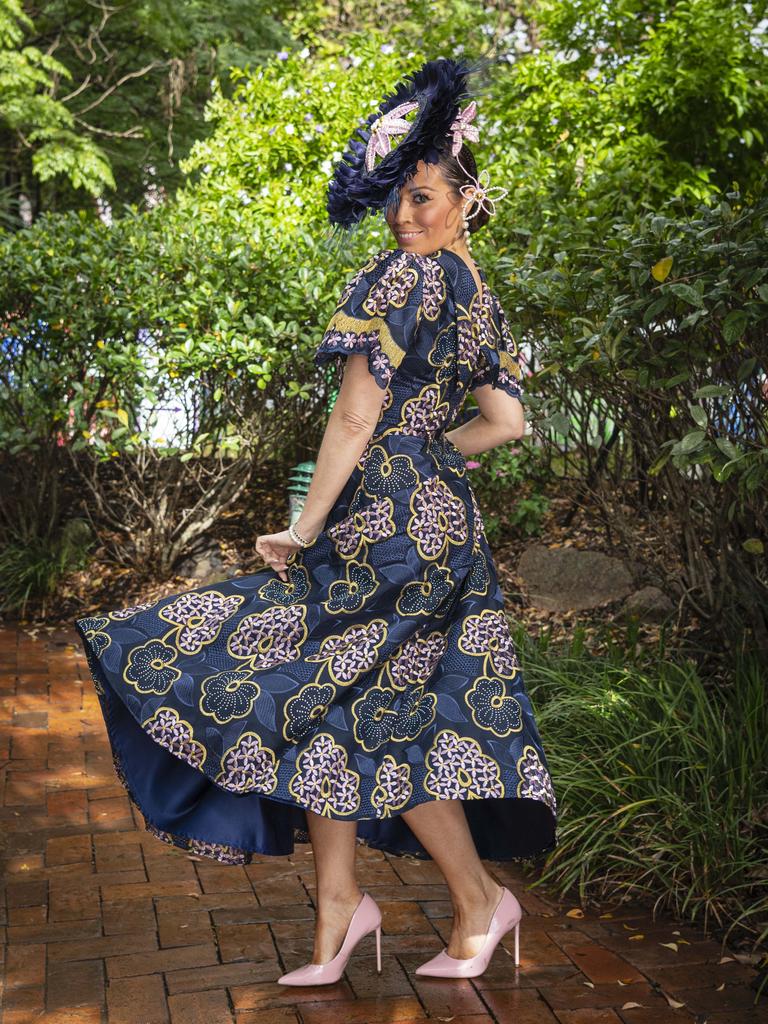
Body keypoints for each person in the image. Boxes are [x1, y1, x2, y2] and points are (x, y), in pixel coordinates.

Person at [74, 55, 557, 986]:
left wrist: (303, 525)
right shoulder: (478, 297)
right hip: (441, 525)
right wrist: (427, 459)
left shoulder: (398, 281)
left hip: (380, 528)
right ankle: (346, 912)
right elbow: (507, 423)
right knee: (343, 702)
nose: (405, 216)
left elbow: (352, 418)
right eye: (396, 201)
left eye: (422, 197)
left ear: (464, 193)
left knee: (340, 695)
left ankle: (472, 901)